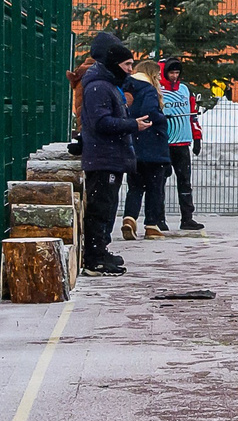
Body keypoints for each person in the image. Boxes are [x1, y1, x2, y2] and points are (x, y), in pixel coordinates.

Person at [77, 32, 146, 275]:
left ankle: (100, 250)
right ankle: (94, 256)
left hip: (110, 157)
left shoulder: (108, 86)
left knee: (107, 205)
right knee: (101, 207)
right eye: (127, 64)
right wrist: (132, 125)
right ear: (115, 63)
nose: (130, 70)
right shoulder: (99, 87)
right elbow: (101, 123)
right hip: (104, 157)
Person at [120, 58, 173, 239]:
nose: (159, 78)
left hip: (133, 145)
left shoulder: (127, 86)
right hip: (153, 146)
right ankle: (152, 225)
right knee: (154, 187)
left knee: (134, 187)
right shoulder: (148, 89)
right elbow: (149, 111)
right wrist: (161, 118)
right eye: (157, 75)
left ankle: (129, 218)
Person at [156, 59, 204, 234]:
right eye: (171, 73)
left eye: (177, 73)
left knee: (185, 182)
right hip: (164, 143)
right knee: (160, 182)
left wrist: (197, 137)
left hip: (183, 143)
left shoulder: (184, 89)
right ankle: (158, 218)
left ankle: (187, 218)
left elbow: (193, 115)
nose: (175, 76)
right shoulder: (158, 90)